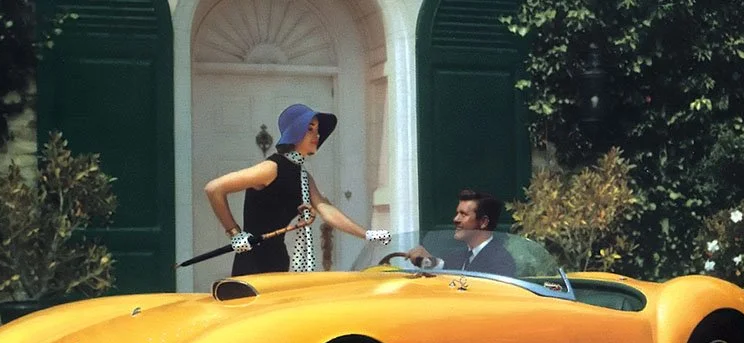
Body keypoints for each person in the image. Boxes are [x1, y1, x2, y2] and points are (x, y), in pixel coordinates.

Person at [204, 103, 390, 276]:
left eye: (317, 130)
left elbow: (327, 211)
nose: (316, 135)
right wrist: (235, 234)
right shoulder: (271, 168)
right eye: (310, 129)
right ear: (295, 132)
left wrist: (368, 234)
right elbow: (214, 189)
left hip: (278, 260)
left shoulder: (303, 176)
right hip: (252, 262)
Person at [406, 189, 517, 278]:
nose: (455, 219)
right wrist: (427, 262)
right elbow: (445, 270)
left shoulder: (501, 261)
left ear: (483, 222)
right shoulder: (456, 256)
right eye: (457, 213)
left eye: (463, 214)